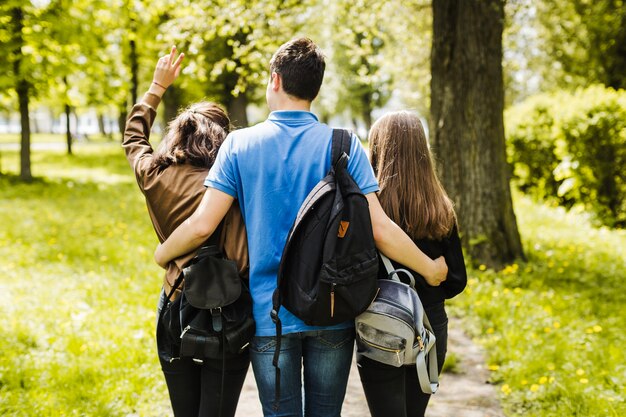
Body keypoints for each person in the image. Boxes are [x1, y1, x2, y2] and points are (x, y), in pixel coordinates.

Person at [154, 38, 448, 417]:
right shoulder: (344, 144)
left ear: (275, 80)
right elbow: (381, 228)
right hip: (331, 308)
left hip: (268, 315)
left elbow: (201, 226)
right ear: (316, 88)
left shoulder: (239, 146)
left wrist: (163, 254)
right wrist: (430, 267)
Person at [122, 46, 250, 417]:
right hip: (229, 307)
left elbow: (133, 140)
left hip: (174, 302)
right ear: (221, 138)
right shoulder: (231, 185)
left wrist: (156, 88)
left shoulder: (154, 175)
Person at [356, 111, 467, 417]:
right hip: (429, 327)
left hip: (379, 325)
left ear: (378, 150)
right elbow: (456, 281)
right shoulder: (440, 208)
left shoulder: (369, 207)